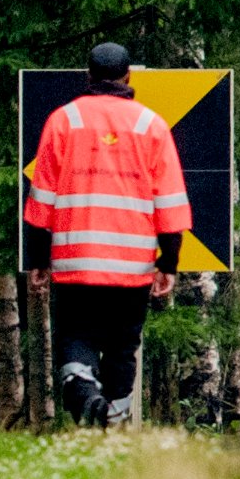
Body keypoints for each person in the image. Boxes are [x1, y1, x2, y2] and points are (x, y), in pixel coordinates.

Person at [22, 43, 191, 427]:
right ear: (128, 77)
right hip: (131, 269)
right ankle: (112, 423)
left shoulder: (63, 122)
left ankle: (87, 399)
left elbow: (40, 201)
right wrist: (169, 264)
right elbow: (170, 204)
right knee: (122, 348)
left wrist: (36, 260)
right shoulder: (151, 126)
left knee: (75, 340)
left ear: (89, 77)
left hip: (75, 264)